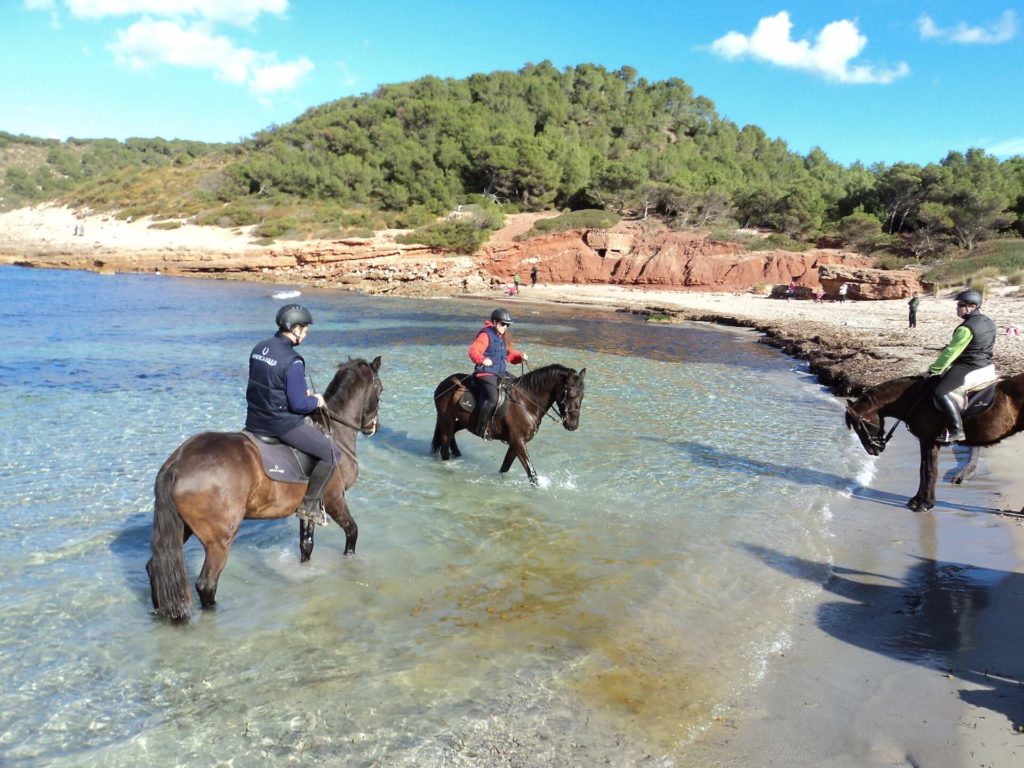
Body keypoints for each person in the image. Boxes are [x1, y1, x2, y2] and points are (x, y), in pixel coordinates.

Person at [245, 304, 336, 525]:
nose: (306, 333)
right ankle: (310, 505)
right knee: (332, 454)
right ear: (294, 328)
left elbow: (268, 386)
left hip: (253, 420)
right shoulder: (293, 360)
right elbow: (298, 405)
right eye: (304, 329)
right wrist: (315, 399)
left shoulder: (259, 348)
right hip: (280, 425)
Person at [928, 290, 997, 444]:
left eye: (960, 305)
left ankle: (956, 430)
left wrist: (934, 369)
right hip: (987, 364)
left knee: (941, 392)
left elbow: (951, 352)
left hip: (970, 366)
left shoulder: (965, 328)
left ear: (972, 306)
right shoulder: (988, 321)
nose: (957, 308)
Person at [468, 308, 528, 439]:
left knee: (519, 386)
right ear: (494, 322)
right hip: (485, 372)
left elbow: (511, 356)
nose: (505, 327)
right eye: (502, 324)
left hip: (500, 372)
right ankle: (481, 428)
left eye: (507, 325)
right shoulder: (485, 334)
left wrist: (520, 357)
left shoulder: (502, 337)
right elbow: (473, 351)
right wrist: (483, 359)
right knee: (493, 398)